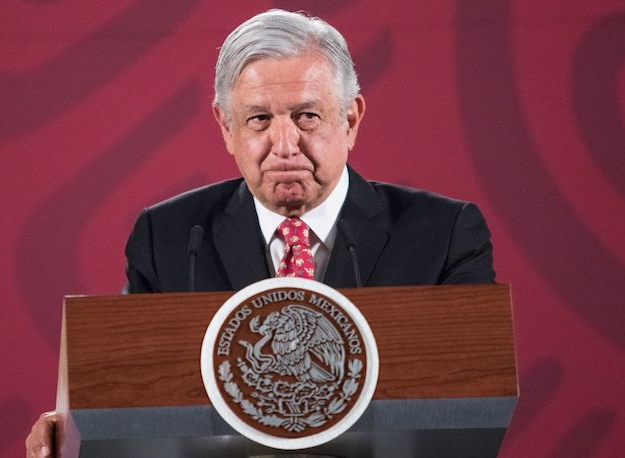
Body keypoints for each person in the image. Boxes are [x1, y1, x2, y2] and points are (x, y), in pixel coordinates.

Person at [26, 9, 495, 457]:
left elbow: (473, 398)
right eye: (259, 120)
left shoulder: (444, 235)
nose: (284, 145)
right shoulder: (170, 237)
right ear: (226, 127)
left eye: (306, 116)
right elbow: (135, 390)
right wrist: (74, 426)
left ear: (350, 120)